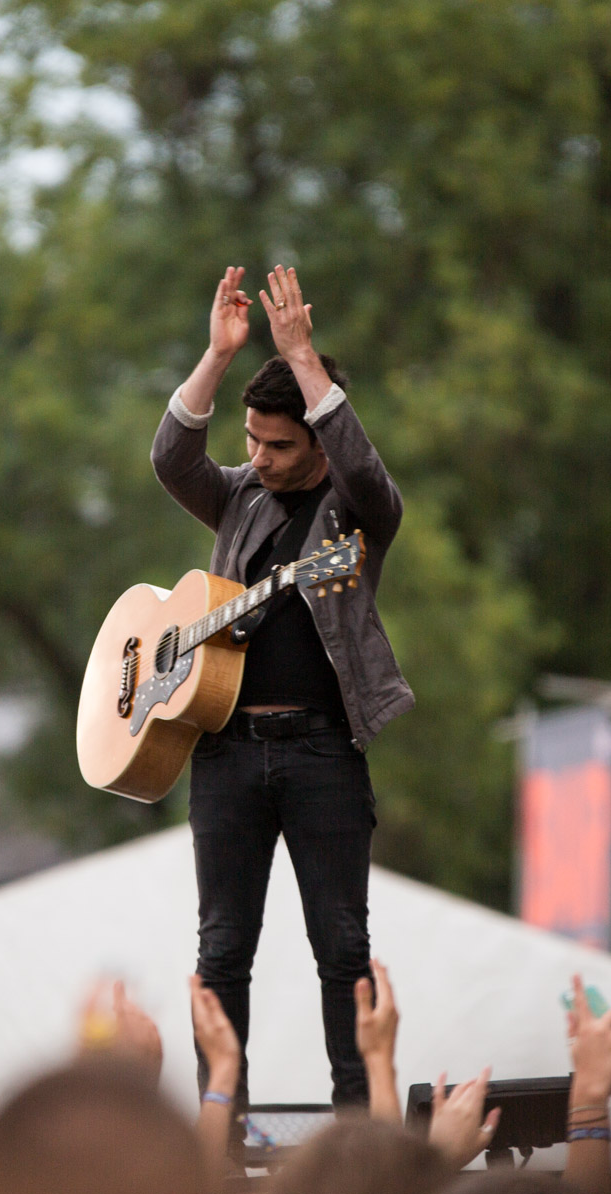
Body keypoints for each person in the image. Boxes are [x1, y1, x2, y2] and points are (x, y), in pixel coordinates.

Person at [151, 264, 413, 1125]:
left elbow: (371, 474)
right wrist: (218, 356)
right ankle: (218, 1121)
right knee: (221, 950)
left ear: (320, 442)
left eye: (278, 446)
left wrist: (303, 358)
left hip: (321, 753)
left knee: (342, 948)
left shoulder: (357, 508)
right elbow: (171, 455)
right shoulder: (237, 496)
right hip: (225, 756)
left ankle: (355, 1125)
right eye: (252, 442)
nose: (257, 459)